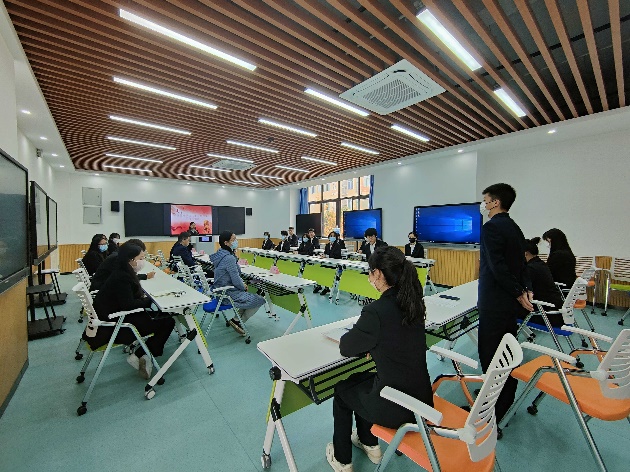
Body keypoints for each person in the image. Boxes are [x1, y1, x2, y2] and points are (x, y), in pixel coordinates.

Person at [327, 246, 432, 471]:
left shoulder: (376, 311)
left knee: (342, 390)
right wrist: (375, 343)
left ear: (379, 274)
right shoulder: (413, 303)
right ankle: (369, 442)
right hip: (420, 399)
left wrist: (368, 342)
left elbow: (346, 347)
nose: (369, 277)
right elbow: (397, 338)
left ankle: (342, 459)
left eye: (370, 272)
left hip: (395, 406)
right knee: (362, 380)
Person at [478, 183, 532, 426]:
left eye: (485, 200)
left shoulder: (491, 227)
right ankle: (505, 401)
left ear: (495, 202)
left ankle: (491, 411)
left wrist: (519, 291)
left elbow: (497, 267)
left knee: (490, 355)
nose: (483, 205)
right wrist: (524, 289)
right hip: (508, 303)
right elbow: (522, 264)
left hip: (494, 302)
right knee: (504, 353)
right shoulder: (514, 227)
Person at [90, 243, 176, 379]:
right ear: (130, 259)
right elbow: (129, 305)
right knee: (168, 321)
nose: (143, 261)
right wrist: (151, 300)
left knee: (163, 316)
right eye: (141, 258)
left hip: (112, 317)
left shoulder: (121, 271)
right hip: (115, 325)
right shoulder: (122, 277)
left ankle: (144, 355)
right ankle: (141, 355)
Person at [209, 231, 266, 336]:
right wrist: (243, 286)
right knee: (260, 299)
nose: (236, 241)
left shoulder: (221, 254)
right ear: (226, 243)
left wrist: (242, 284)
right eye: (233, 240)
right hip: (227, 294)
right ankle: (238, 321)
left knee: (249, 297)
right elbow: (235, 279)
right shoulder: (229, 258)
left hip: (220, 292)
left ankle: (236, 320)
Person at [523, 237, 564, 327]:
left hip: (547, 316)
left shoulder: (530, 268)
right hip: (557, 312)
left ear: (525, 253)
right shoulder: (541, 264)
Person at [91, 239, 156, 291]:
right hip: (102, 289)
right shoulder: (117, 258)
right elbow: (125, 278)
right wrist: (145, 276)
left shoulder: (118, 255)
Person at [320, 231, 343, 296]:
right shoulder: (327, 245)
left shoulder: (338, 245)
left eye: (334, 236)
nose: (332, 237)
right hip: (327, 262)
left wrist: (327, 256)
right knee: (322, 270)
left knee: (329, 272)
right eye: (331, 236)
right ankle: (326, 287)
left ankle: (329, 286)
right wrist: (323, 255)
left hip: (334, 264)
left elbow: (337, 255)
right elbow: (325, 252)